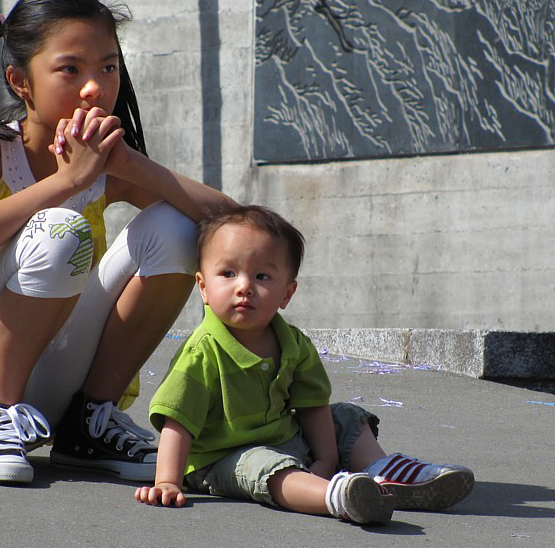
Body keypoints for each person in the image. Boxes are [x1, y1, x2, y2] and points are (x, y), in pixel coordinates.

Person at [0, 0, 234, 485]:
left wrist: (129, 163)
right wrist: (67, 182)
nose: (95, 87)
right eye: (71, 69)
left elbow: (234, 226)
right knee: (60, 228)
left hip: (53, 380)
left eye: (108, 67)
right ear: (20, 81)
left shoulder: (107, 161)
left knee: (178, 228)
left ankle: (87, 423)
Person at [134, 205, 474, 525]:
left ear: (286, 294)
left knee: (345, 416)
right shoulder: (201, 353)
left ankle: (383, 470)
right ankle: (340, 497)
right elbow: (178, 423)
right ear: (204, 287)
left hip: (287, 437)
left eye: (263, 276)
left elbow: (312, 405)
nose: (244, 287)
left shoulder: (293, 343)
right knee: (267, 467)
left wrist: (325, 459)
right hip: (223, 458)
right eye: (228, 273)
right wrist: (167, 480)